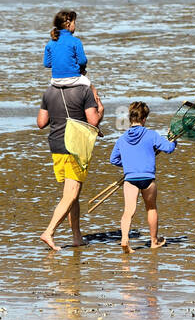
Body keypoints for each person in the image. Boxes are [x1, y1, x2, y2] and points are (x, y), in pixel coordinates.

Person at [37, 78, 104, 251]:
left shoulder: (49, 90)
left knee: (72, 194)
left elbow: (41, 123)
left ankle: (77, 237)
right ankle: (49, 232)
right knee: (71, 194)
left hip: (56, 145)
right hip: (75, 147)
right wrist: (100, 110)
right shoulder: (84, 90)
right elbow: (93, 121)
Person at [109, 101, 176, 253]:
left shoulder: (122, 138)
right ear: (144, 119)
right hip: (147, 178)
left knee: (128, 210)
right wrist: (173, 138)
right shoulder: (151, 135)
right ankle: (154, 241)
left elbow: (113, 160)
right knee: (151, 208)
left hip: (130, 179)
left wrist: (129, 165)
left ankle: (125, 239)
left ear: (130, 118)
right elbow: (169, 148)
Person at [44, 10, 91, 87]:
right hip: (73, 79)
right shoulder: (76, 41)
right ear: (68, 25)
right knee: (90, 86)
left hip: (55, 80)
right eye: (74, 23)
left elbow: (47, 64)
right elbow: (82, 61)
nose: (75, 25)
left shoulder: (50, 43)